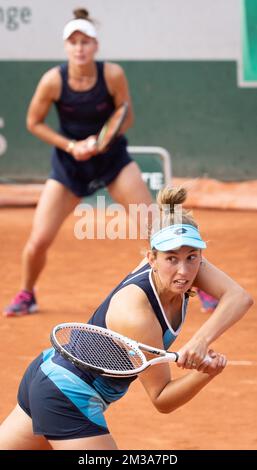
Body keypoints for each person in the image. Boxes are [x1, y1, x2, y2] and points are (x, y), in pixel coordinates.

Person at [0, 186, 253, 450]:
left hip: (49, 376)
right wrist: (206, 373)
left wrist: (200, 341)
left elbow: (239, 298)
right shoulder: (136, 315)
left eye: (192, 257)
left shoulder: (186, 267)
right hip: (67, 395)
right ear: (151, 258)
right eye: (172, 259)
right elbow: (162, 398)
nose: (184, 270)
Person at [3, 7, 152, 317]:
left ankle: (198, 288)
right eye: (74, 42)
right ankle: (27, 293)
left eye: (86, 42)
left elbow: (126, 116)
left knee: (155, 229)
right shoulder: (52, 81)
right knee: (38, 240)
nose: (80, 48)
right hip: (69, 166)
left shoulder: (112, 74)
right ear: (66, 47)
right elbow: (34, 122)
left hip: (113, 161)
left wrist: (101, 143)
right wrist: (71, 146)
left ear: (95, 46)